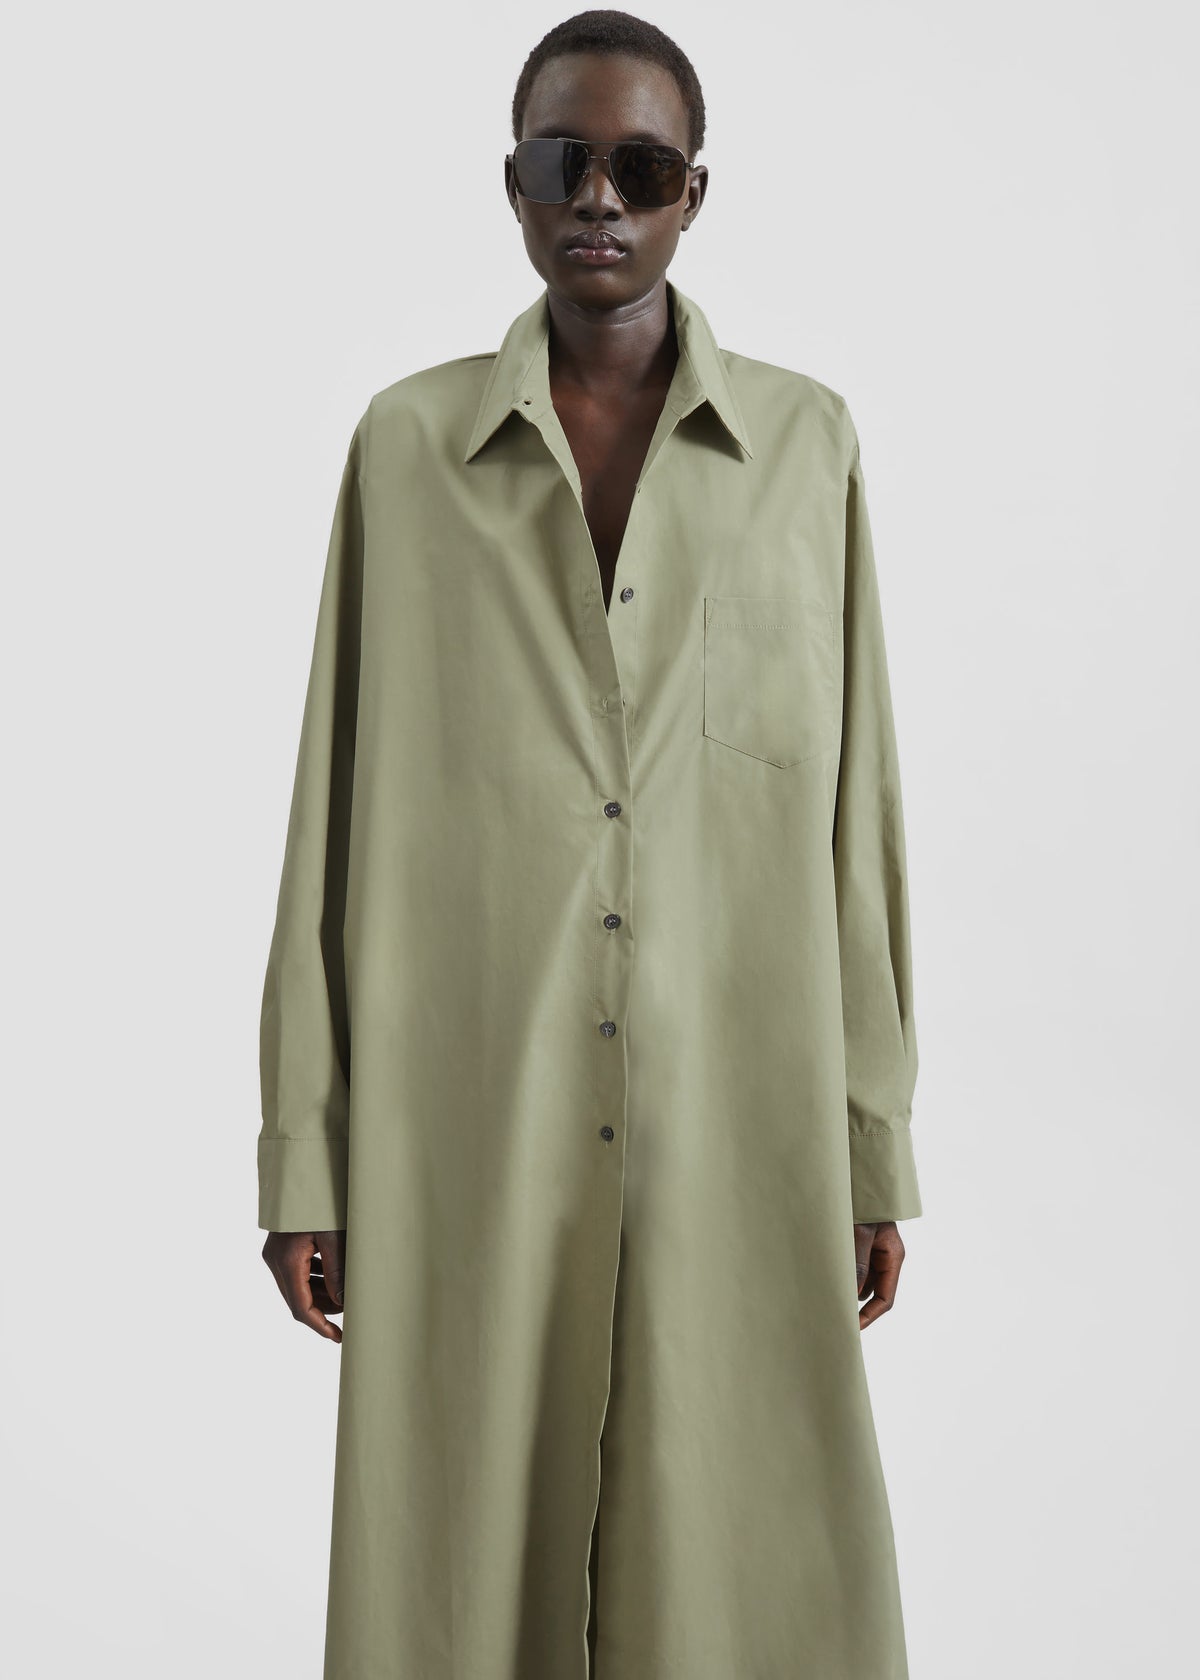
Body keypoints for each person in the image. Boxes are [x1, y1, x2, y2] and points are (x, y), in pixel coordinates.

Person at [257, 9, 924, 1678]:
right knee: (458, 1551)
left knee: (744, 1554)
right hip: (473, 1118)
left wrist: (868, 1141)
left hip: (738, 1120)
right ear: (514, 185)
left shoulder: (808, 452)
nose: (601, 200)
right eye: (566, 162)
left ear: (696, 191)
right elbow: (330, 811)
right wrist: (305, 1152)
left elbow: (857, 822)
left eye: (640, 166)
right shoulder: (408, 453)